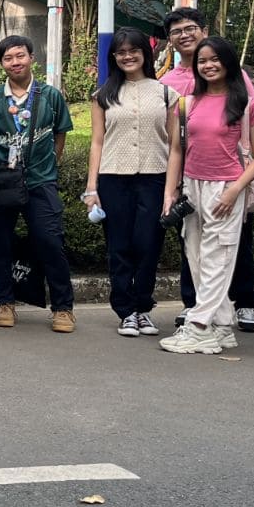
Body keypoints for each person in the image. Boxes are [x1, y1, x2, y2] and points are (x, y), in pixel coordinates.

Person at [158, 36, 254, 355]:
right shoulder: (187, 103)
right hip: (193, 186)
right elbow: (177, 150)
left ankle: (198, 326)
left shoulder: (246, 104)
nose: (208, 65)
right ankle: (220, 326)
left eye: (215, 59)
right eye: (202, 61)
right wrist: (170, 193)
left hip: (226, 188)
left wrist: (235, 190)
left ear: (228, 62)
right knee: (196, 255)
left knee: (218, 256)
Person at [83, 27, 179, 338]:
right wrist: (92, 188)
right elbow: (97, 142)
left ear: (145, 53)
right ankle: (125, 311)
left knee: (148, 244)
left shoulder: (166, 93)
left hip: (154, 177)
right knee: (119, 246)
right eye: (121, 52)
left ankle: (143, 308)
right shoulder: (103, 95)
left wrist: (171, 190)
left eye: (133, 50)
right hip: (113, 177)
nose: (127, 56)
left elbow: (175, 145)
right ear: (113, 57)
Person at [0, 34, 76, 332]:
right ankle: (3, 302)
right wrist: (3, 167)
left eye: (20, 56)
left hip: (40, 180)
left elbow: (60, 132)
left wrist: (49, 162)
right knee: (0, 243)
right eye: (8, 58)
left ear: (31, 57)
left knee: (50, 240)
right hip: (1, 182)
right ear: (1, 64)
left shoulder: (50, 95)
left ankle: (63, 308)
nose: (14, 62)